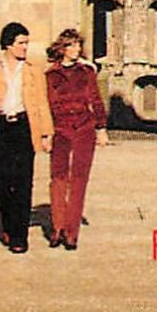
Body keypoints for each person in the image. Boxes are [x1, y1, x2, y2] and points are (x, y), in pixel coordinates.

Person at [0, 21, 53, 253]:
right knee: (2, 180)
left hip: (24, 126)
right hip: (1, 127)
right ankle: (7, 223)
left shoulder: (33, 69)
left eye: (26, 43)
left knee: (23, 181)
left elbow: (41, 103)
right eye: (21, 43)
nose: (25, 47)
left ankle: (19, 237)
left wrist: (47, 134)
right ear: (8, 44)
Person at [44, 28, 107, 250]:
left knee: (79, 178)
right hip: (60, 130)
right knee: (58, 178)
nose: (76, 49)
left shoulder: (86, 72)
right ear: (62, 48)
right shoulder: (50, 75)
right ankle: (58, 227)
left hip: (84, 128)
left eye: (79, 45)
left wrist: (101, 128)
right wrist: (46, 133)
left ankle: (72, 233)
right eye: (72, 45)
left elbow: (96, 99)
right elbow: (47, 105)